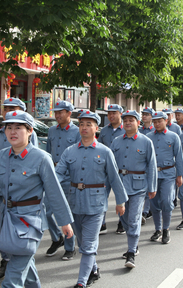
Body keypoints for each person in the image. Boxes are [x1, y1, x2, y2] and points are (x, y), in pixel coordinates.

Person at [0, 110, 74, 288]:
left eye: (18, 127)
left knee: (12, 280)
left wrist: (64, 221)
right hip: (7, 218)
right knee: (26, 269)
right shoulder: (2, 156)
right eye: (9, 127)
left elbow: (54, 191)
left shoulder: (41, 158)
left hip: (29, 222)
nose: (12, 132)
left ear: (30, 131)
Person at [56, 111, 128, 287]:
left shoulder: (105, 152)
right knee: (83, 244)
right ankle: (93, 269)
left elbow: (114, 178)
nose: (84, 128)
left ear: (96, 128)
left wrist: (120, 201)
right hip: (74, 203)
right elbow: (57, 175)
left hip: (96, 205)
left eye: (89, 124)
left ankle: (81, 282)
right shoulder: (69, 152)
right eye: (81, 124)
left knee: (88, 246)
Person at [0, 97, 38, 278]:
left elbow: (32, 163)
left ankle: (13, 260)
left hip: (20, 195)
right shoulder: (1, 132)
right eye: (6, 108)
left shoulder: (29, 132)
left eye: (12, 108)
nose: (7, 110)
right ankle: (7, 257)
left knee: (20, 237)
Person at [111, 110, 157, 264]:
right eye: (125, 120)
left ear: (138, 123)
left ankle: (131, 251)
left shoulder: (146, 141)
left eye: (131, 120)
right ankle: (133, 243)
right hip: (120, 186)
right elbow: (110, 166)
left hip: (139, 186)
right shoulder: (116, 141)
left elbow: (151, 165)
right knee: (123, 217)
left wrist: (152, 186)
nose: (128, 123)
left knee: (134, 219)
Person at [45, 100, 81, 259]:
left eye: (61, 112)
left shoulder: (77, 132)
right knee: (45, 210)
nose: (57, 115)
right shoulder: (52, 131)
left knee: (67, 212)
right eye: (56, 112)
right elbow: (47, 153)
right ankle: (56, 237)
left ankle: (69, 246)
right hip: (53, 175)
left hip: (69, 176)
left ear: (69, 113)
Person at [146, 111, 183, 243]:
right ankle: (157, 229)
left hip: (168, 174)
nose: (157, 124)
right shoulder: (148, 137)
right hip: (152, 174)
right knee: (154, 203)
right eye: (154, 122)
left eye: (159, 121)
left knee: (167, 202)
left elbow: (179, 157)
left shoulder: (173, 137)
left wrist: (179, 175)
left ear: (166, 121)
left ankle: (166, 229)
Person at [97, 104, 126, 235]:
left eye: (114, 113)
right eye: (109, 113)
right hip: (104, 169)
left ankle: (122, 221)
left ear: (120, 114)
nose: (111, 116)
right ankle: (101, 223)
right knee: (102, 195)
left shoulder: (126, 129)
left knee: (122, 195)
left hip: (121, 169)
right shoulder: (104, 131)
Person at [139, 107, 155, 222]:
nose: (144, 116)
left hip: (151, 162)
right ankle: (142, 211)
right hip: (140, 163)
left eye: (147, 114)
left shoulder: (155, 130)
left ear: (152, 117)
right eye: (143, 114)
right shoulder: (139, 130)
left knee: (149, 187)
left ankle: (146, 211)